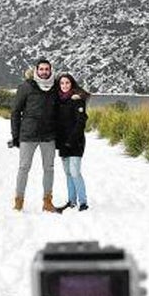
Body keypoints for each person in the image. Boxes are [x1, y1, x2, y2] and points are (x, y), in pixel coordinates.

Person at [10, 59, 60, 212]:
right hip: (28, 135)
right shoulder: (26, 87)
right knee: (23, 168)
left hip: (49, 135)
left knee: (49, 168)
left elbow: (61, 110)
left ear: (50, 71)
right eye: (42, 69)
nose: (44, 72)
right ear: (36, 70)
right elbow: (15, 112)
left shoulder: (55, 88)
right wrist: (16, 136)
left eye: (47, 69)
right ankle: (19, 202)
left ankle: (47, 202)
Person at [53, 73, 89, 212]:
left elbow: (81, 122)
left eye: (67, 83)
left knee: (75, 172)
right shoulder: (59, 101)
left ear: (72, 84)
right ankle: (71, 201)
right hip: (63, 142)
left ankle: (83, 202)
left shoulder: (78, 100)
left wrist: (71, 140)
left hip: (76, 142)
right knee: (68, 173)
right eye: (62, 83)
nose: (65, 85)